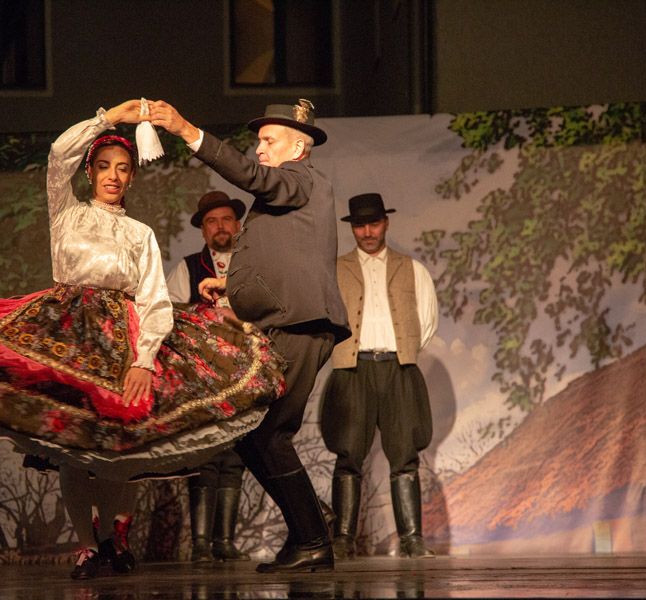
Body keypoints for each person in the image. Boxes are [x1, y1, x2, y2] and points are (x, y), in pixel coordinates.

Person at [0, 101, 285, 580]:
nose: (113, 176)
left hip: (123, 338)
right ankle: (87, 546)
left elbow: (154, 299)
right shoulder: (67, 212)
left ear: (131, 178)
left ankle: (116, 537)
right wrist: (108, 119)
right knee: (72, 441)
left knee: (125, 439)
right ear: (90, 172)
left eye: (123, 168)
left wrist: (144, 359)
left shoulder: (139, 234)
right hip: (68, 332)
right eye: (104, 167)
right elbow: (58, 154)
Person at [149, 98, 350, 573]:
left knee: (269, 432)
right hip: (288, 321)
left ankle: (313, 539)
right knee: (251, 434)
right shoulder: (293, 191)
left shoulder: (300, 177)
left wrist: (186, 130)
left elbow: (253, 177)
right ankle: (306, 536)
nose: (259, 149)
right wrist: (231, 283)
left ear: (297, 147)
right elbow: (284, 255)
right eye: (258, 141)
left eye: (268, 141)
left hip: (300, 324)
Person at [320, 193, 438, 560]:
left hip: (397, 367)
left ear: (385, 223)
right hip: (352, 368)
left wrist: (402, 349)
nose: (368, 232)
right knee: (348, 454)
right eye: (360, 225)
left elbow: (427, 321)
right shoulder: (334, 269)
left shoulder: (412, 268)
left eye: (374, 223)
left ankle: (412, 538)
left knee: (404, 454)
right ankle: (343, 538)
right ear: (352, 228)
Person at [165, 190, 250, 562]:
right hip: (201, 375)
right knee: (204, 454)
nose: (220, 227)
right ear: (203, 230)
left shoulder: (252, 267)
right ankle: (201, 543)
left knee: (235, 457)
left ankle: (224, 542)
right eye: (212, 221)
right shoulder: (187, 268)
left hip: (246, 374)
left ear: (238, 225)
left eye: (226, 219)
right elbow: (170, 316)